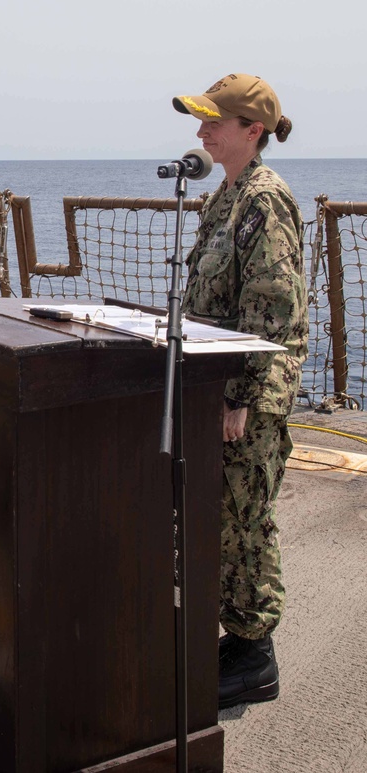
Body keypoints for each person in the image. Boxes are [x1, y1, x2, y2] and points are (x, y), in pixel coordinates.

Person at [173, 73, 309, 710]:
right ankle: (233, 636)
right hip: (212, 384)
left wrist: (242, 397)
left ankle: (256, 654)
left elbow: (271, 310)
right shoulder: (223, 198)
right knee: (218, 517)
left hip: (247, 395)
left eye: (213, 121)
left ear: (251, 131)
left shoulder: (264, 200)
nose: (201, 130)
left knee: (242, 519)